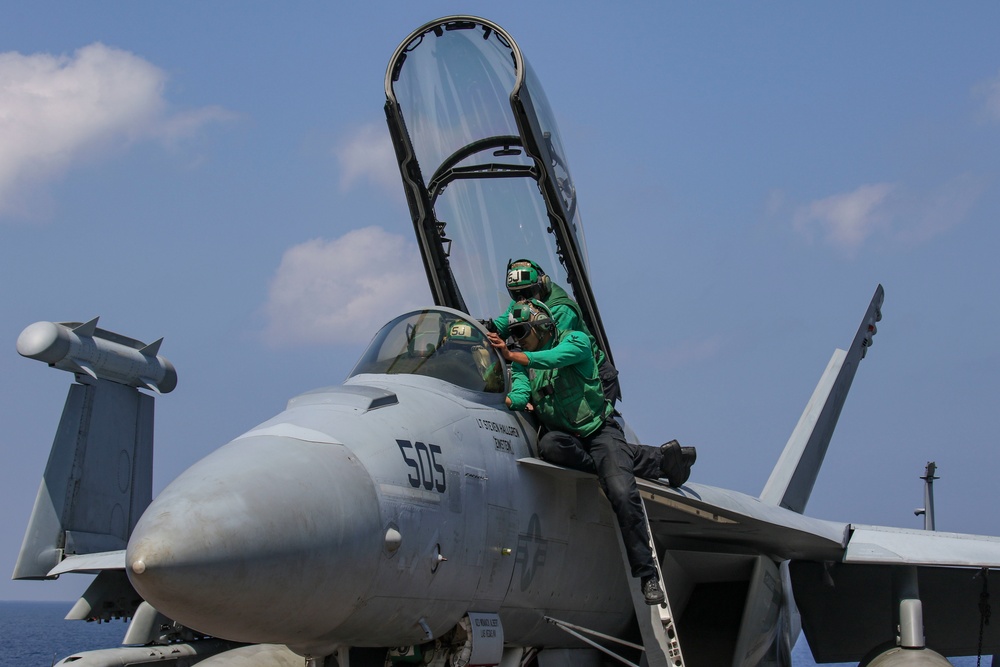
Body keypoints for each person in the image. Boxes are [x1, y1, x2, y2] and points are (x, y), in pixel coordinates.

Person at [487, 299, 696, 606]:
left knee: (622, 493)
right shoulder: (521, 361)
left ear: (541, 326)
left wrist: (515, 354)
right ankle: (655, 460)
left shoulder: (576, 341)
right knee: (549, 447)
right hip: (567, 439)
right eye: (514, 334)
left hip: (598, 431)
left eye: (522, 332)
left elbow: (554, 358)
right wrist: (505, 397)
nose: (517, 339)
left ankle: (648, 575)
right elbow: (519, 391)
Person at [489, 259, 622, 405]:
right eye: (516, 295)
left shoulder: (562, 310)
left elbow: (552, 355)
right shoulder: (524, 301)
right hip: (564, 374)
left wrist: (513, 356)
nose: (522, 299)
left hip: (593, 378)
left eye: (527, 293)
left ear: (543, 284)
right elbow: (501, 326)